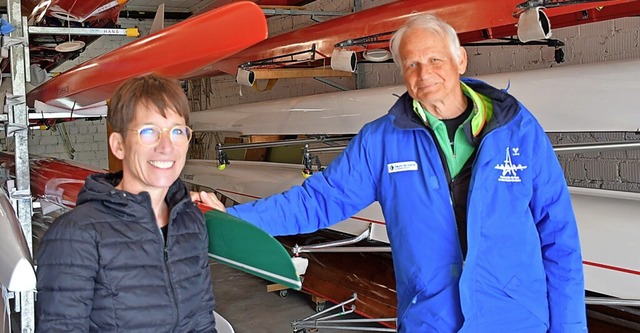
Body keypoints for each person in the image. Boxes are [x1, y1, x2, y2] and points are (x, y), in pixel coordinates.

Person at [204, 13, 588, 332]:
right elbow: (318, 200)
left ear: (460, 61)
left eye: (435, 60)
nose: (425, 74)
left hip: (517, 319)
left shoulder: (518, 130)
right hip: (431, 319)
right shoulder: (382, 141)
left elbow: (559, 237)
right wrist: (230, 220)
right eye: (412, 64)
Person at [36, 74, 219, 332]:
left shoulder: (190, 221)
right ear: (119, 145)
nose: (166, 146)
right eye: (149, 132)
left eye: (177, 131)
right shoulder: (76, 234)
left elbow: (201, 319)